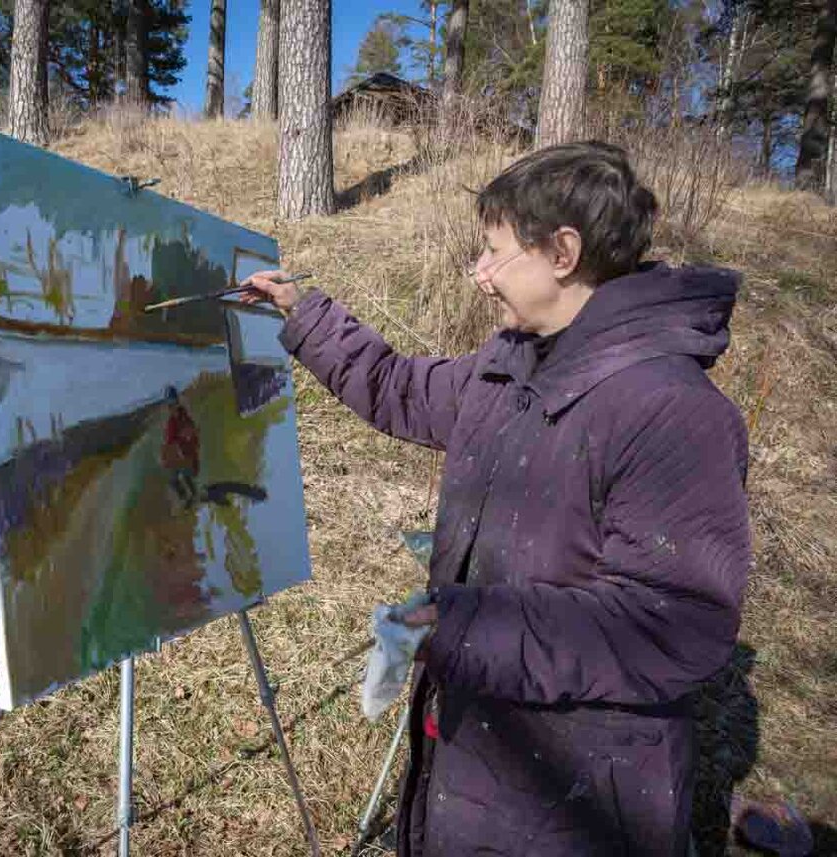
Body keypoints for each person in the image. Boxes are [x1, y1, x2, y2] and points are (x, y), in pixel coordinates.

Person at [241, 141, 752, 857]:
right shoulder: (513, 363)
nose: (480, 275)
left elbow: (670, 621)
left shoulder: (671, 410)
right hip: (483, 738)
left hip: (580, 790)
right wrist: (306, 315)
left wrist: (459, 624)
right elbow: (401, 390)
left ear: (563, 252)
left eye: (494, 251)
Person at [161, 385, 200, 508]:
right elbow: (170, 440)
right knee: (177, 478)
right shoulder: (176, 418)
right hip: (180, 454)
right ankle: (189, 497)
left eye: (172, 403)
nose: (171, 407)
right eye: (169, 404)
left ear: (176, 402)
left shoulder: (181, 417)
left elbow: (190, 433)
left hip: (184, 454)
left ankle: (190, 497)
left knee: (179, 478)